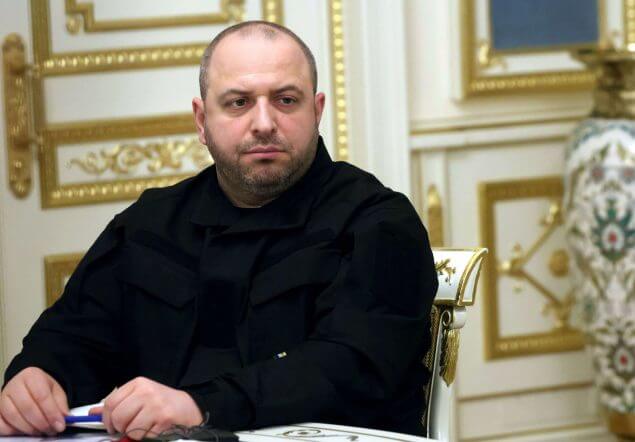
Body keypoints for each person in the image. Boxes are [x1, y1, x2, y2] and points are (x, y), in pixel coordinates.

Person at [0, 21, 437, 439]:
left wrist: (200, 407)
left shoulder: (378, 223)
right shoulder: (149, 223)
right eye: (238, 102)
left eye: (286, 100)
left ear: (317, 111)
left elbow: (347, 369)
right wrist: (39, 375)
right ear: (201, 120)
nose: (263, 123)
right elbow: (74, 333)